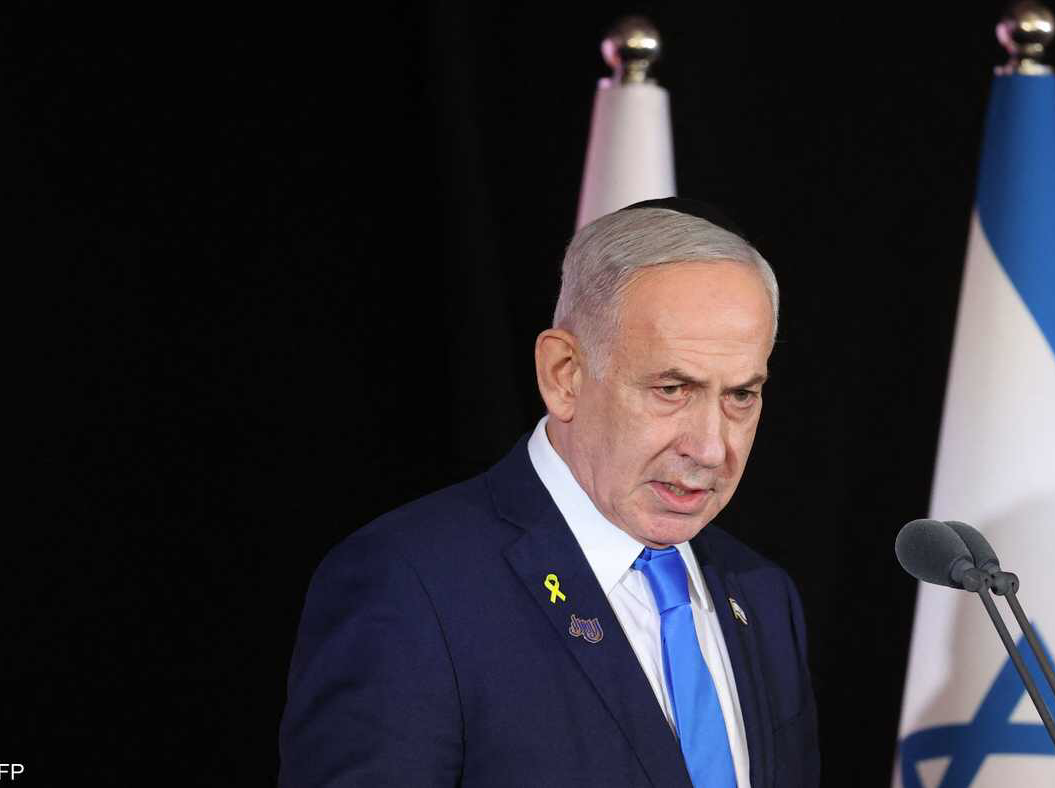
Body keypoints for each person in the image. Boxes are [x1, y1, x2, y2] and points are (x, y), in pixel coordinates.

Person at [279, 198, 820, 787]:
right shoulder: (411, 588)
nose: (711, 447)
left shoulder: (763, 595)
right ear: (564, 374)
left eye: (741, 396)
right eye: (672, 389)